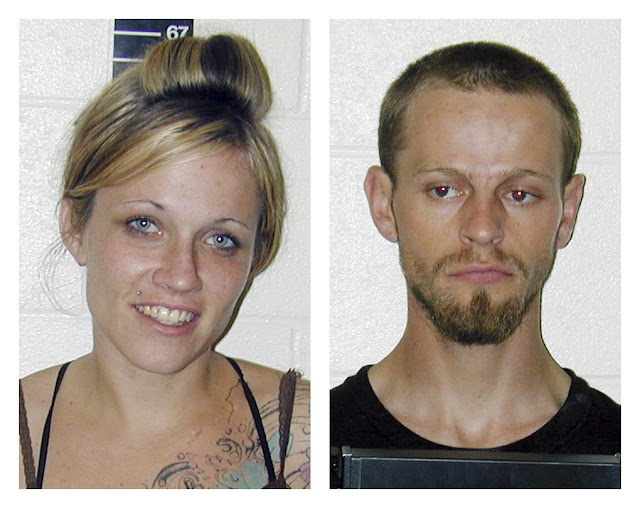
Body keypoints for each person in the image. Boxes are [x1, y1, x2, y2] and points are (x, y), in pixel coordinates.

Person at [19, 33, 310, 489]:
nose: (181, 276)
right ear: (76, 228)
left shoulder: (309, 439)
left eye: (220, 239)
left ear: (256, 255)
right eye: (144, 225)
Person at [331, 42, 620, 456]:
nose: (483, 229)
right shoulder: (309, 455)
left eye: (519, 194)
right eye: (443, 190)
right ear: (384, 204)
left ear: (567, 211)